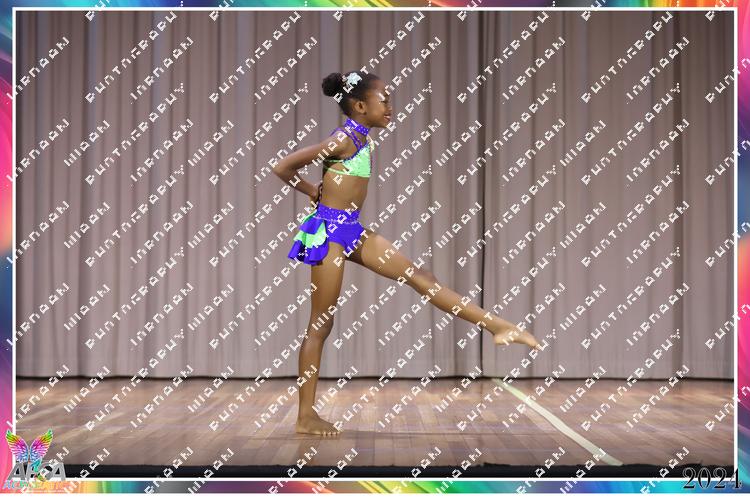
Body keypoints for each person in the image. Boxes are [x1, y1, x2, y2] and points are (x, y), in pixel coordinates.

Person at [272, 70, 542, 436]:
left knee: (422, 277)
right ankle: (305, 417)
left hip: (351, 229)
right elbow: (282, 166)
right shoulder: (342, 139)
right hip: (328, 233)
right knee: (321, 324)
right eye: (384, 100)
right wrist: (310, 190)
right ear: (360, 106)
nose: (390, 107)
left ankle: (497, 326)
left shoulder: (361, 138)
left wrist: (317, 189)